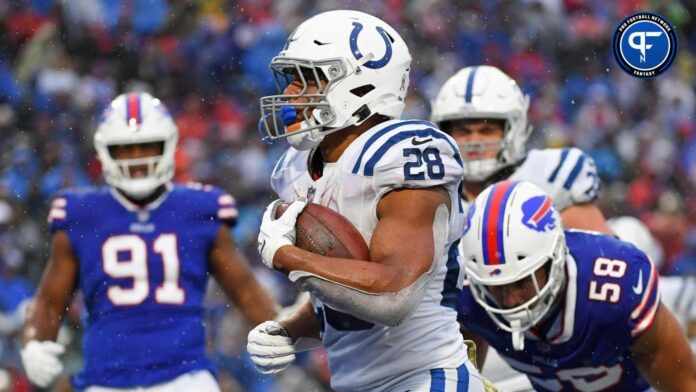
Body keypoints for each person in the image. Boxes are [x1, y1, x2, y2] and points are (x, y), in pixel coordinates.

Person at [247, 10, 484, 391]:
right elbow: (343, 301)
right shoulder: (295, 169)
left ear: (359, 85)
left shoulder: (402, 154)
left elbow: (394, 295)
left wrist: (289, 258)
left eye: (306, 79)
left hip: (424, 378)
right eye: (290, 79)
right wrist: (292, 330)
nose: (290, 94)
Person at [21, 92, 279, 391]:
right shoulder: (81, 214)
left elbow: (245, 291)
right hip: (105, 379)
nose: (138, 158)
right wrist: (34, 343)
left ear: (168, 146)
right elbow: (50, 302)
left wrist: (284, 331)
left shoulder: (199, 209)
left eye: (148, 146)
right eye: (125, 149)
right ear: (104, 152)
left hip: (184, 376)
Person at [457, 180, 696, 391]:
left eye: (521, 282)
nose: (510, 300)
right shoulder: (466, 292)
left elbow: (684, 381)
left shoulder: (613, 287)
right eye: (495, 286)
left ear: (555, 258)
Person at [430, 65, 612, 234]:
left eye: (487, 131)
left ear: (513, 129)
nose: (474, 141)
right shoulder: (428, 187)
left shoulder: (551, 176)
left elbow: (601, 255)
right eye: (463, 131)